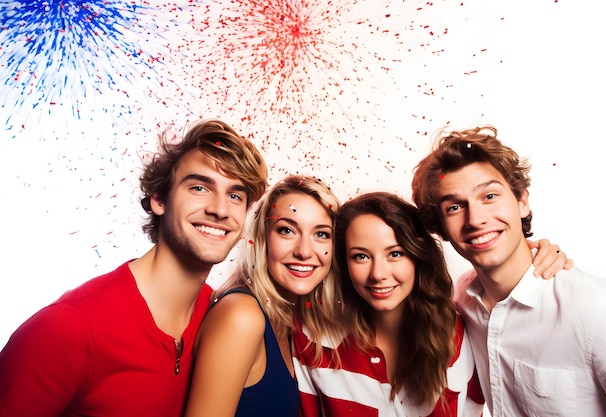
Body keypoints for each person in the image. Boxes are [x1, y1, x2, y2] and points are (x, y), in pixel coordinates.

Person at [0, 119, 268, 417]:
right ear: (159, 199)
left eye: (234, 195)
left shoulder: (220, 320)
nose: (219, 209)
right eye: (199, 187)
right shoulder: (68, 328)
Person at [411, 125, 606, 416]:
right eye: (455, 207)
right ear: (441, 228)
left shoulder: (602, 311)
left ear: (522, 201)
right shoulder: (463, 298)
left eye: (489, 196)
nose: (476, 219)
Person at [294, 191, 485, 417]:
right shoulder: (313, 339)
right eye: (361, 256)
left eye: (395, 253)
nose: (378, 274)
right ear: (343, 263)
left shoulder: (462, 332)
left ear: (417, 256)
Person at [184, 175, 345, 417]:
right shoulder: (241, 315)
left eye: (321, 234)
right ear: (261, 238)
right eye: (287, 230)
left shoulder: (291, 322)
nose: (304, 251)